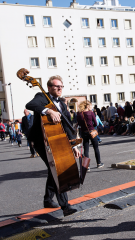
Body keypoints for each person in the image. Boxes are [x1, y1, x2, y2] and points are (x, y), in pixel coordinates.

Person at [25, 74, 80, 216]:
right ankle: (65, 206)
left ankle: (48, 200)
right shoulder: (41, 97)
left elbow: (68, 125)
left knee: (52, 170)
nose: (60, 88)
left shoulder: (62, 103)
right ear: (49, 87)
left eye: (61, 86)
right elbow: (30, 105)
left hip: (57, 139)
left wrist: (74, 145)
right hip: (40, 140)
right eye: (56, 86)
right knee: (57, 170)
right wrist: (48, 110)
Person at [77, 101, 104, 171]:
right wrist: (91, 125)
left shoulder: (79, 114)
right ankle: (99, 163)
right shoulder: (91, 113)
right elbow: (95, 123)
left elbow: (79, 123)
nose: (92, 107)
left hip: (83, 132)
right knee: (96, 148)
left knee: (86, 149)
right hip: (92, 131)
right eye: (91, 106)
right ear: (87, 106)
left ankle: (87, 166)